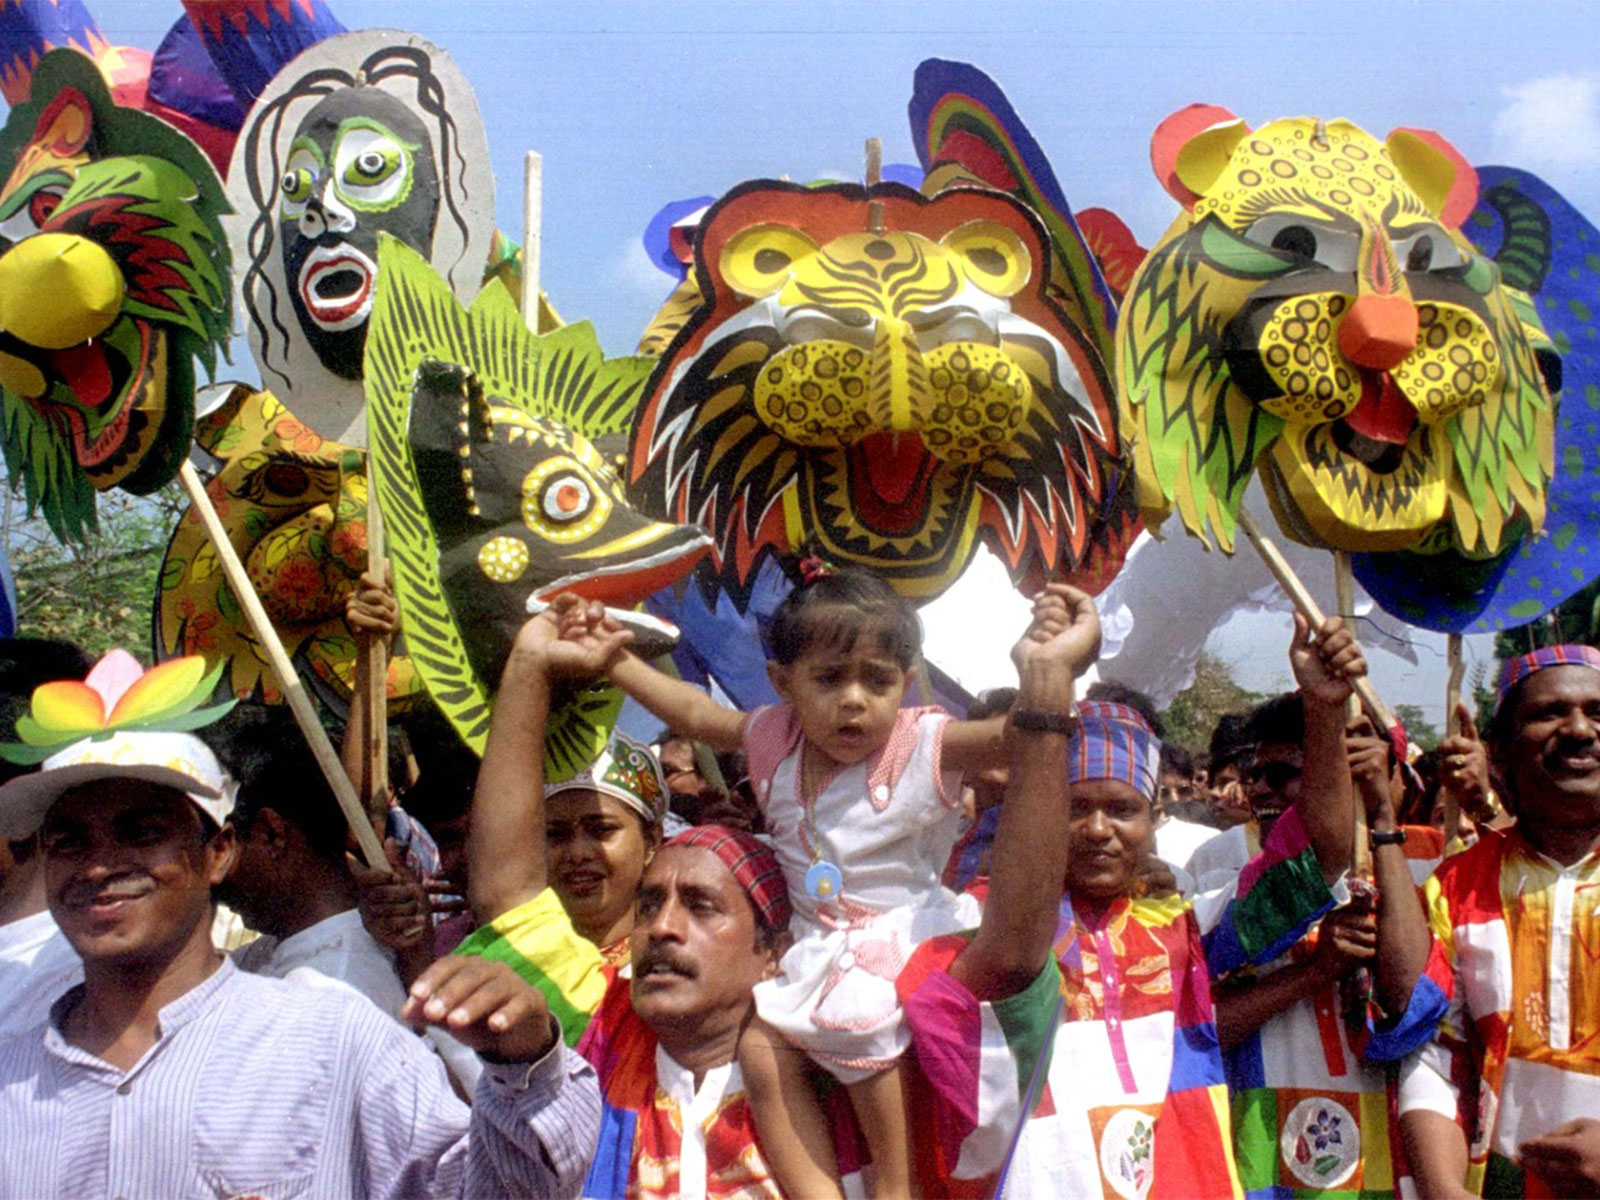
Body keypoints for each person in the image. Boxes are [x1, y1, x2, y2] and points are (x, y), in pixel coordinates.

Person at [561, 566, 1021, 1197]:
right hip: (811, 946)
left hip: (901, 938)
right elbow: (694, 713)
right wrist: (614, 661)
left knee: (857, 1013)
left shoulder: (924, 744)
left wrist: (1050, 682)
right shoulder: (773, 738)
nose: (855, 699)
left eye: (878, 681)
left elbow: (1008, 739)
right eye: (830, 679)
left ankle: (896, 1187)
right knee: (757, 1046)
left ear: (907, 684)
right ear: (783, 685)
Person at [0, 719, 600, 1196]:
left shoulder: (330, 1037)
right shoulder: (10, 1077)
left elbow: (498, 1190)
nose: (100, 867)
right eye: (69, 842)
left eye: (140, 833)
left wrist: (526, 1063)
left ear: (219, 853)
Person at [895, 612, 1374, 1197]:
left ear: (1153, 821)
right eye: (1075, 808)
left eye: (1122, 809)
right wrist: (1046, 685)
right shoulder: (981, 923)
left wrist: (1323, 711)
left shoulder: (1180, 927)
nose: (1099, 829)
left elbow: (1319, 858)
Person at [455, 595, 842, 1197]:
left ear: (775, 951)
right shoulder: (610, 1027)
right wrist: (530, 663)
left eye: (701, 905)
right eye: (649, 904)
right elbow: (507, 891)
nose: (662, 929)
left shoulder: (843, 1058)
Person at [1212, 712, 1449, 1198]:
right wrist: (1313, 972)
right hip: (1264, 1156)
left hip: (1392, 1159)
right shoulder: (1239, 895)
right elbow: (1196, 1029)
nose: (1258, 790)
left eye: (1284, 774)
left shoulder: (1432, 876)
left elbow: (1411, 1016)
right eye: (1253, 774)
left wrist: (1382, 823)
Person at [1400, 645, 1600, 1198]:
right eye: (1550, 713)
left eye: (1597, 712)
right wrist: (1444, 1190)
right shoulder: (1456, 886)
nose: (1580, 729)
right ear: (1501, 753)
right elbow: (1436, 1052)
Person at [210, 706, 409, 1016]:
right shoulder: (279, 951)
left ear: (272, 834)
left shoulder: (333, 987)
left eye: (221, 844)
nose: (212, 870)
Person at [545, 729, 668, 965]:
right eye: (554, 835)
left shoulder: (679, 956)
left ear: (651, 840)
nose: (577, 854)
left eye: (602, 830)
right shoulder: (513, 966)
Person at [1189, 695, 1306, 891]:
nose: (1259, 789)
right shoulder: (1212, 859)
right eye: (1254, 775)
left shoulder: (1368, 854)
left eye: (1280, 774)